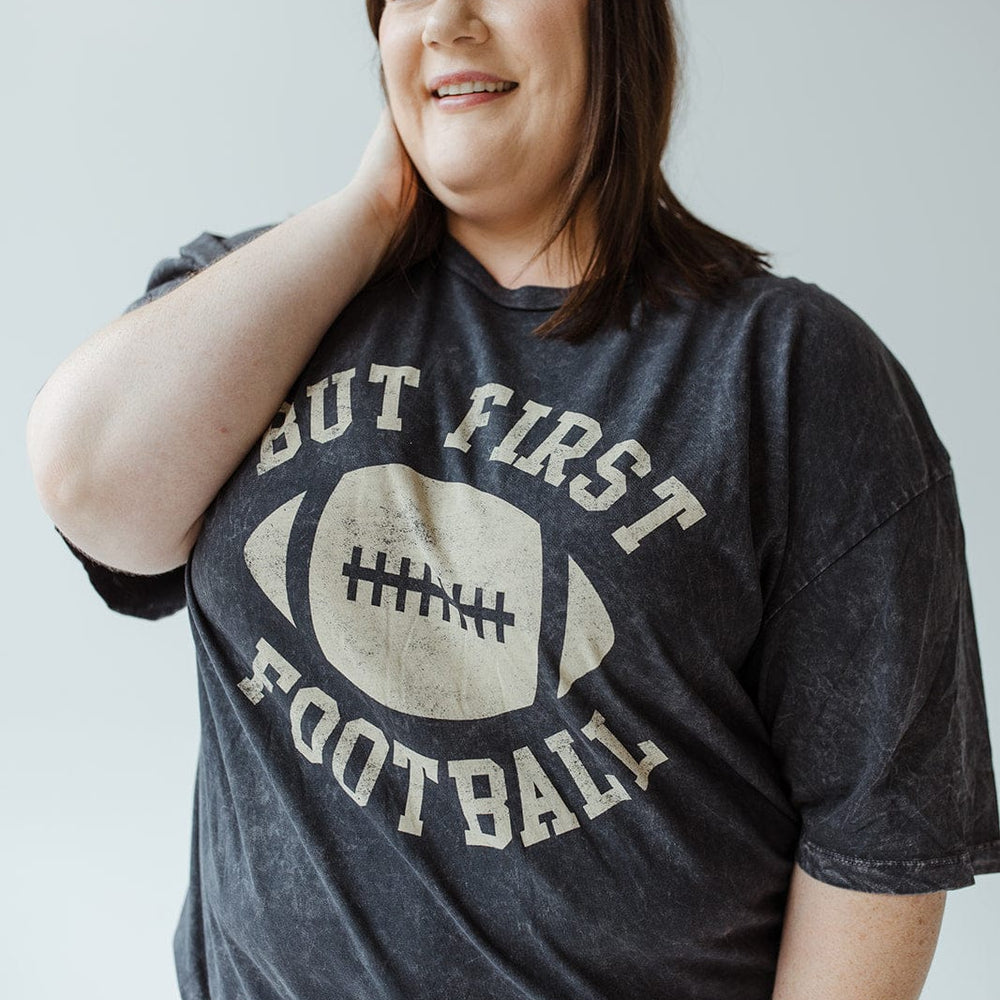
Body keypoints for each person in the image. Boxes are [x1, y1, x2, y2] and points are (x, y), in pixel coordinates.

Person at [25, 1, 1000, 998]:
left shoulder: (788, 373)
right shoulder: (266, 304)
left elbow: (871, 850)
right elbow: (91, 484)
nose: (445, 22)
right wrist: (367, 211)